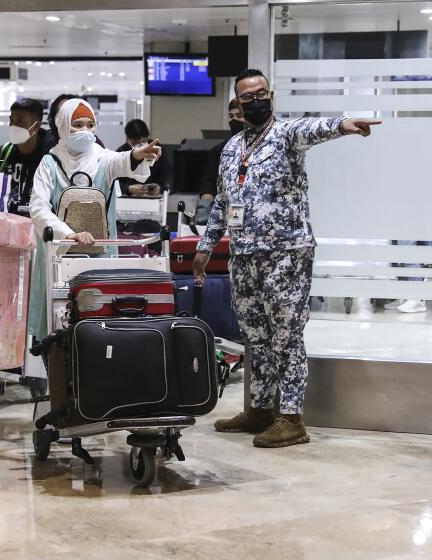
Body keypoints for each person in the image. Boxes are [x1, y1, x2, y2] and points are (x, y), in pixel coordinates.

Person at [194, 68, 381, 448]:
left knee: (286, 336)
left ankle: (292, 418)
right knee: (256, 337)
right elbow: (223, 204)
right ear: (237, 104)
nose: (257, 100)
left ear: (272, 94)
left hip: (286, 254)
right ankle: (260, 409)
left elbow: (315, 128)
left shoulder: (285, 135)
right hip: (244, 255)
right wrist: (205, 246)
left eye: (262, 93)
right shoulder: (232, 150)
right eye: (248, 96)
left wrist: (345, 124)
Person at [27, 98, 162, 342]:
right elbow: (38, 207)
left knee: (100, 323)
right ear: (62, 126)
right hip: (59, 256)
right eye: (77, 125)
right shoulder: (49, 163)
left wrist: (139, 154)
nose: (85, 131)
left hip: (100, 257)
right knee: (57, 326)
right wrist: (67, 233)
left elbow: (124, 160)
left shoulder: (103, 158)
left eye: (90, 125)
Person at [0, 98, 49, 215]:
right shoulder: (3, 154)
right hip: (4, 226)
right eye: (11, 120)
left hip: (37, 227)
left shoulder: (48, 157)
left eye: (20, 122)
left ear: (36, 127)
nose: (13, 126)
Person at [195, 99, 246, 224]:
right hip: (230, 208)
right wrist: (205, 208)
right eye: (231, 116)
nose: (234, 120)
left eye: (239, 116)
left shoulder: (262, 146)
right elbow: (209, 182)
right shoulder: (220, 150)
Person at [115, 119, 173, 196]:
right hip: (128, 199)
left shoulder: (157, 149)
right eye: (136, 143)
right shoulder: (121, 153)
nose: (141, 146)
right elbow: (114, 182)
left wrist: (160, 187)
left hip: (153, 198)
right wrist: (128, 188)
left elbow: (167, 173)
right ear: (128, 139)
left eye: (144, 141)